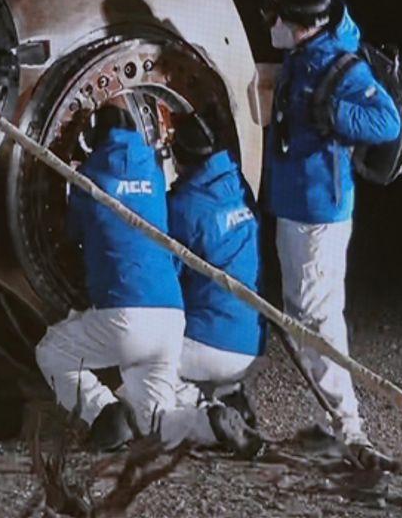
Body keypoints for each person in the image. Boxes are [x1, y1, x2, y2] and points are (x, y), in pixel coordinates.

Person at [262, 0, 401, 467]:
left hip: (319, 213)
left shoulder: (338, 66)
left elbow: (387, 121)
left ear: (300, 24)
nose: (271, 24)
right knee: (302, 315)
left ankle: (349, 427)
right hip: (294, 205)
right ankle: (331, 421)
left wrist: (333, 116)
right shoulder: (304, 54)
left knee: (318, 321)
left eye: (276, 16)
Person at [34, 100, 186, 452]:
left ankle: (104, 412)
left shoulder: (88, 178)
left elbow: (71, 232)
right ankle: (209, 421)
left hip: (125, 317)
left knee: (52, 353)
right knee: (156, 421)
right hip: (171, 315)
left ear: (93, 140)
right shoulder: (154, 173)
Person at [167, 107, 266, 456]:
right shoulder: (239, 185)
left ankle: (206, 417)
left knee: (139, 358)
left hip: (211, 346)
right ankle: (229, 393)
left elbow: (166, 279)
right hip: (252, 343)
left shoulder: (183, 206)